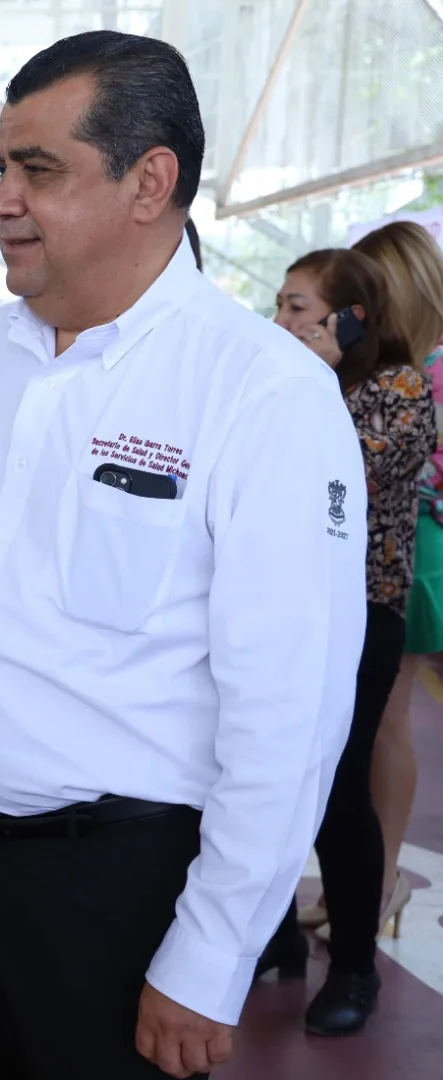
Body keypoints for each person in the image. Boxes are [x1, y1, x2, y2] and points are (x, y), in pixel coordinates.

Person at [0, 31, 367, 1080]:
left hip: (114, 895)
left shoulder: (260, 389)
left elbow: (289, 709)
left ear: (149, 182)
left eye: (37, 170)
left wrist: (211, 953)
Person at [258, 247, 433, 1035]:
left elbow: (335, 485)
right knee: (260, 771)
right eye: (280, 304)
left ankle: (354, 965)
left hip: (359, 611)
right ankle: (270, 935)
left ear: (350, 317)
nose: (281, 320)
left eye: (297, 307)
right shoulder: (282, 380)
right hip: (276, 605)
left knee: (338, 784)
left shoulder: (398, 391)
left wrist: (311, 377)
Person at [328, 220, 443, 941]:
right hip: (383, 547)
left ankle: (380, 879)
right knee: (365, 722)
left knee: (384, 720)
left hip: (411, 550)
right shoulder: (373, 366)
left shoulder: (417, 374)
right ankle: (365, 879)